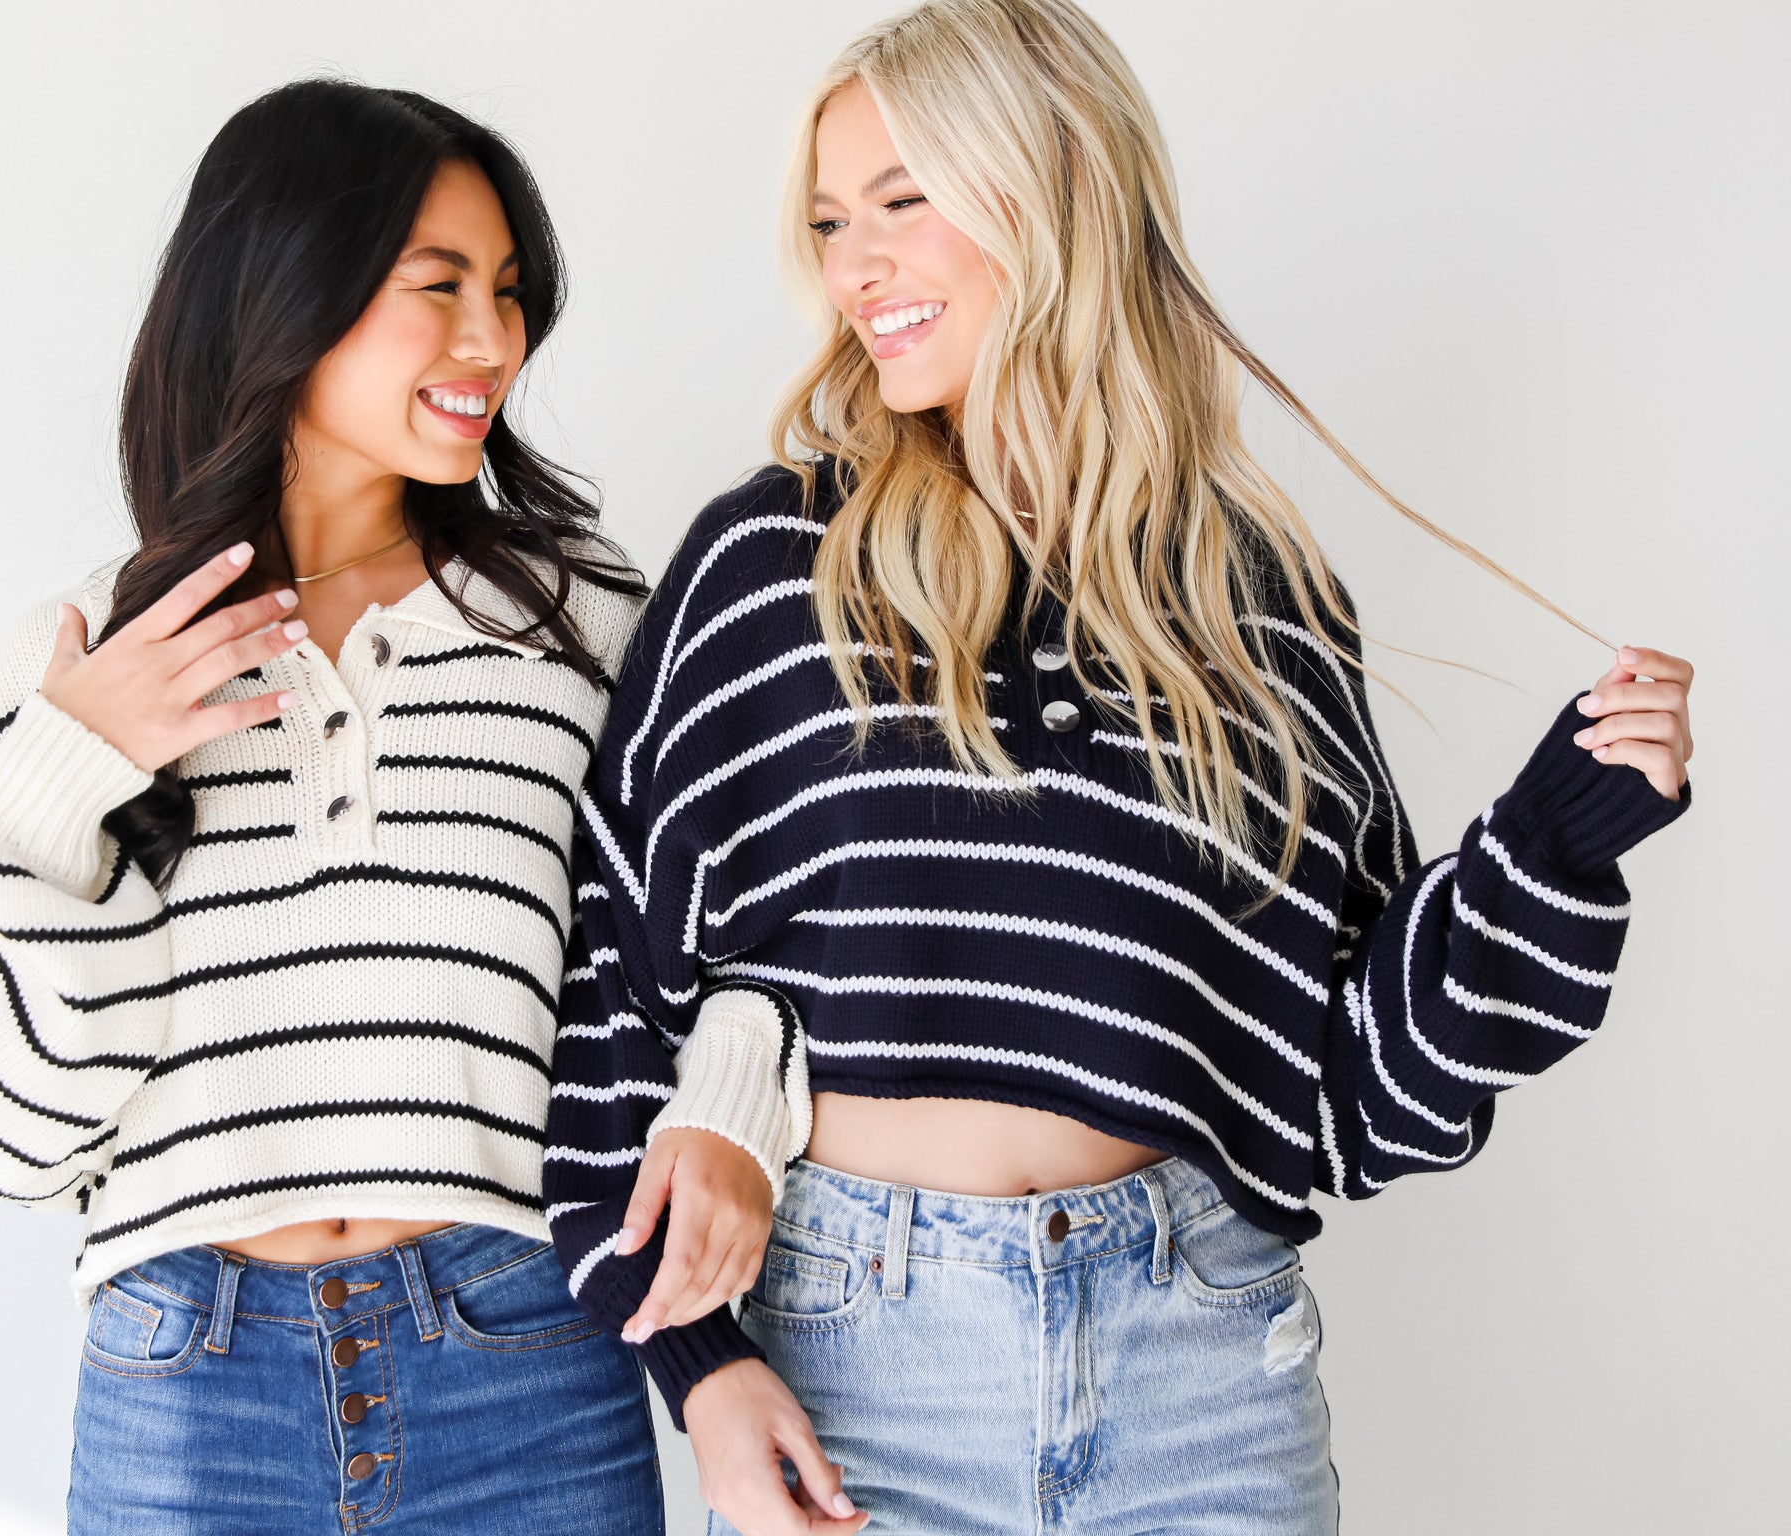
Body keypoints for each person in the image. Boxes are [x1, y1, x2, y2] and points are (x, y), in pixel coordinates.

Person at [542, 3, 1694, 1532]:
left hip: (1202, 1361)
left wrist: (1553, 838)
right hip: (858, 1378)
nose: (854, 267)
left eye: (904, 202)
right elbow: (614, 990)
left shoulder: (1252, 596)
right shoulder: (770, 567)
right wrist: (697, 1364)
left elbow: (1349, 1090)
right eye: (831, 222)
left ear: (1057, 187)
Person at [0, 80, 662, 1535]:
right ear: (292, 289)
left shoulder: (581, 624)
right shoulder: (84, 654)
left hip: (522, 1369)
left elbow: (700, 974)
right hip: (186, 1386)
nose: (496, 341)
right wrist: (64, 774)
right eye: (440, 287)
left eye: (509, 292)